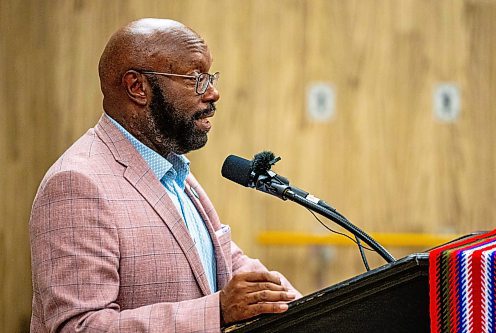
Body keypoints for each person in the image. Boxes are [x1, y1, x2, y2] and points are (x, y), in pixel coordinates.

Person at [29, 18, 301, 332]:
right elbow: (79, 327)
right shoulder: (77, 184)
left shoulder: (173, 170)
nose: (213, 93)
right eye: (195, 78)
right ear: (137, 87)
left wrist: (308, 305)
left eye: (209, 77)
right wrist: (216, 312)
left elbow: (227, 264)